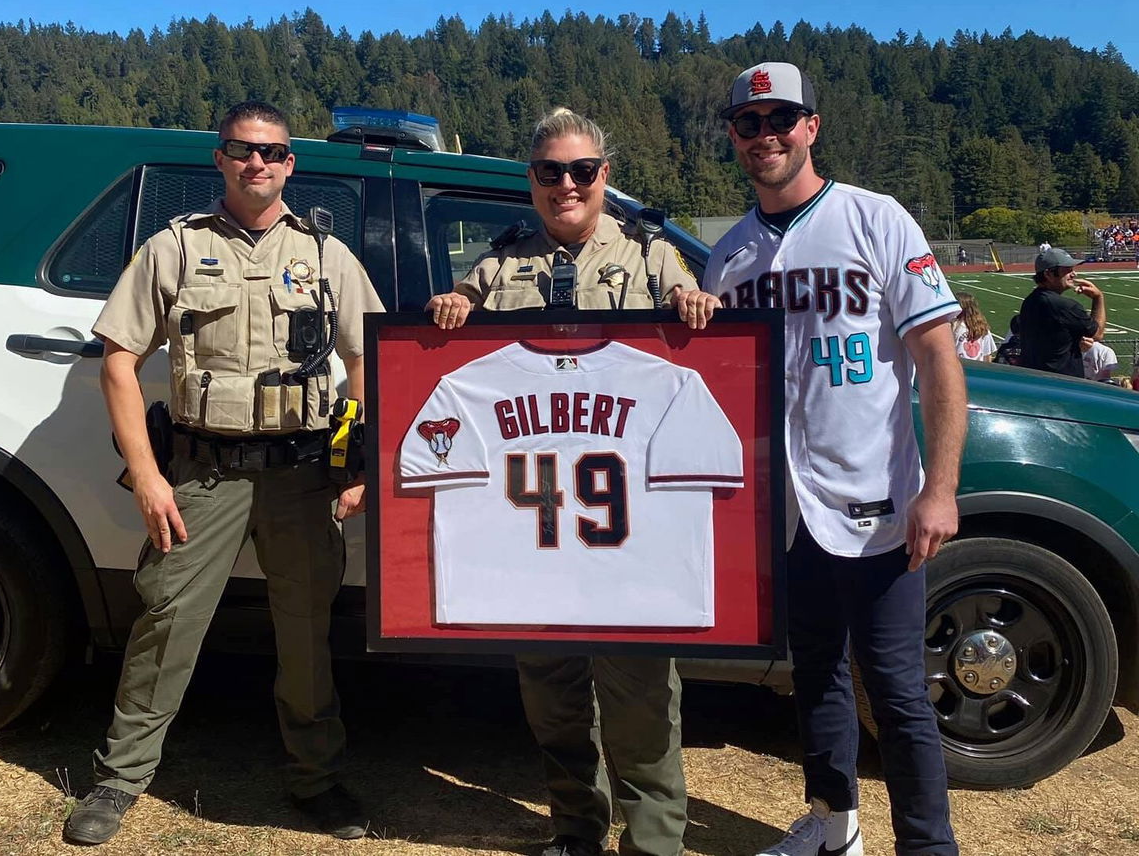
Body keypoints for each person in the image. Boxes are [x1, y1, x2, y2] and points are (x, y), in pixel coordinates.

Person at [64, 101, 384, 845]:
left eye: (272, 152)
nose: (258, 164)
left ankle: (317, 779)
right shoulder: (174, 248)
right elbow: (117, 359)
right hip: (201, 473)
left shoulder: (325, 254)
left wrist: (351, 452)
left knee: (306, 632)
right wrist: (146, 477)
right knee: (166, 622)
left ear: (291, 164)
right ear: (221, 159)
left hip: (301, 478)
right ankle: (120, 778)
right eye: (243, 150)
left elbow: (369, 354)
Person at [672, 62, 965, 856]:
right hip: (786, 508)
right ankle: (835, 827)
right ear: (734, 138)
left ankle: (929, 846)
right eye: (747, 124)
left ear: (811, 126)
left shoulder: (877, 219)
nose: (764, 136)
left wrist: (940, 489)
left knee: (898, 692)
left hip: (878, 499)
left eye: (780, 119)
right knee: (816, 676)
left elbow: (939, 360)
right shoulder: (729, 255)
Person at [425, 107, 698, 856]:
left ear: (604, 175)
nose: (566, 185)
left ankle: (653, 843)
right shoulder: (503, 258)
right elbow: (457, 338)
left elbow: (694, 324)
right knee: (552, 697)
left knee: (642, 699)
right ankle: (576, 829)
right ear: (532, 181)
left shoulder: (650, 255)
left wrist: (694, 305)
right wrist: (453, 307)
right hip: (533, 532)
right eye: (550, 172)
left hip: (629, 529)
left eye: (581, 170)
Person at [1018, 246, 1105, 378]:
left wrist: (1075, 342)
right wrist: (1098, 298)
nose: (1074, 274)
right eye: (1067, 270)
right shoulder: (1064, 306)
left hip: (1035, 378)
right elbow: (1097, 334)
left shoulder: (1030, 301)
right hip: (1063, 382)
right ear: (1049, 274)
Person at [952, 292, 996, 362]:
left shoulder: (954, 326)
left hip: (958, 368)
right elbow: (987, 356)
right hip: (977, 369)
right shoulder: (983, 327)